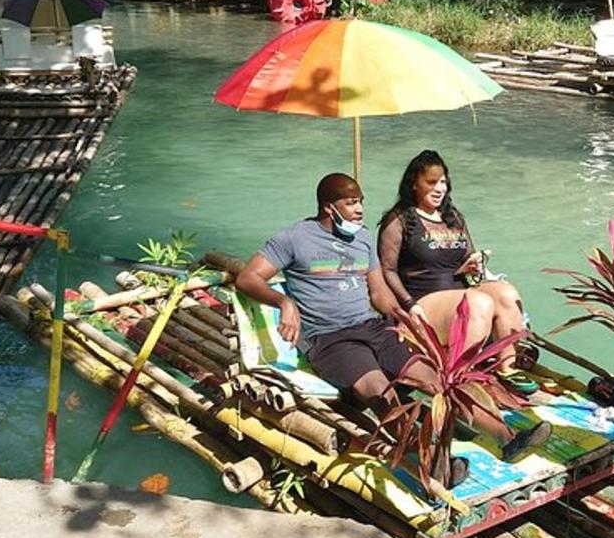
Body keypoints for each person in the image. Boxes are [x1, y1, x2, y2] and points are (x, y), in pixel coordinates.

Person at [235, 173, 551, 487]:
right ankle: (433, 461)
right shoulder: (293, 238)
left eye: (361, 202)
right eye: (351, 203)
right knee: (378, 391)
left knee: (439, 378)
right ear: (329, 208)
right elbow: (248, 278)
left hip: (374, 328)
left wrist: (403, 315)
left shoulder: (360, 238)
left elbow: (378, 293)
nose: (360, 209)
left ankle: (508, 438)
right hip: (331, 340)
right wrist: (285, 302)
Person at [377, 150, 531, 381]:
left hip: (459, 291)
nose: (440, 189)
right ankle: (459, 377)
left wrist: (472, 264)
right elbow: (387, 270)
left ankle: (507, 368)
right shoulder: (399, 220)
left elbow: (467, 257)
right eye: (431, 182)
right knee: (477, 302)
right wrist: (409, 306)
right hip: (423, 301)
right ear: (414, 184)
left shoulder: (453, 218)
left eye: (443, 182)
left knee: (506, 293)